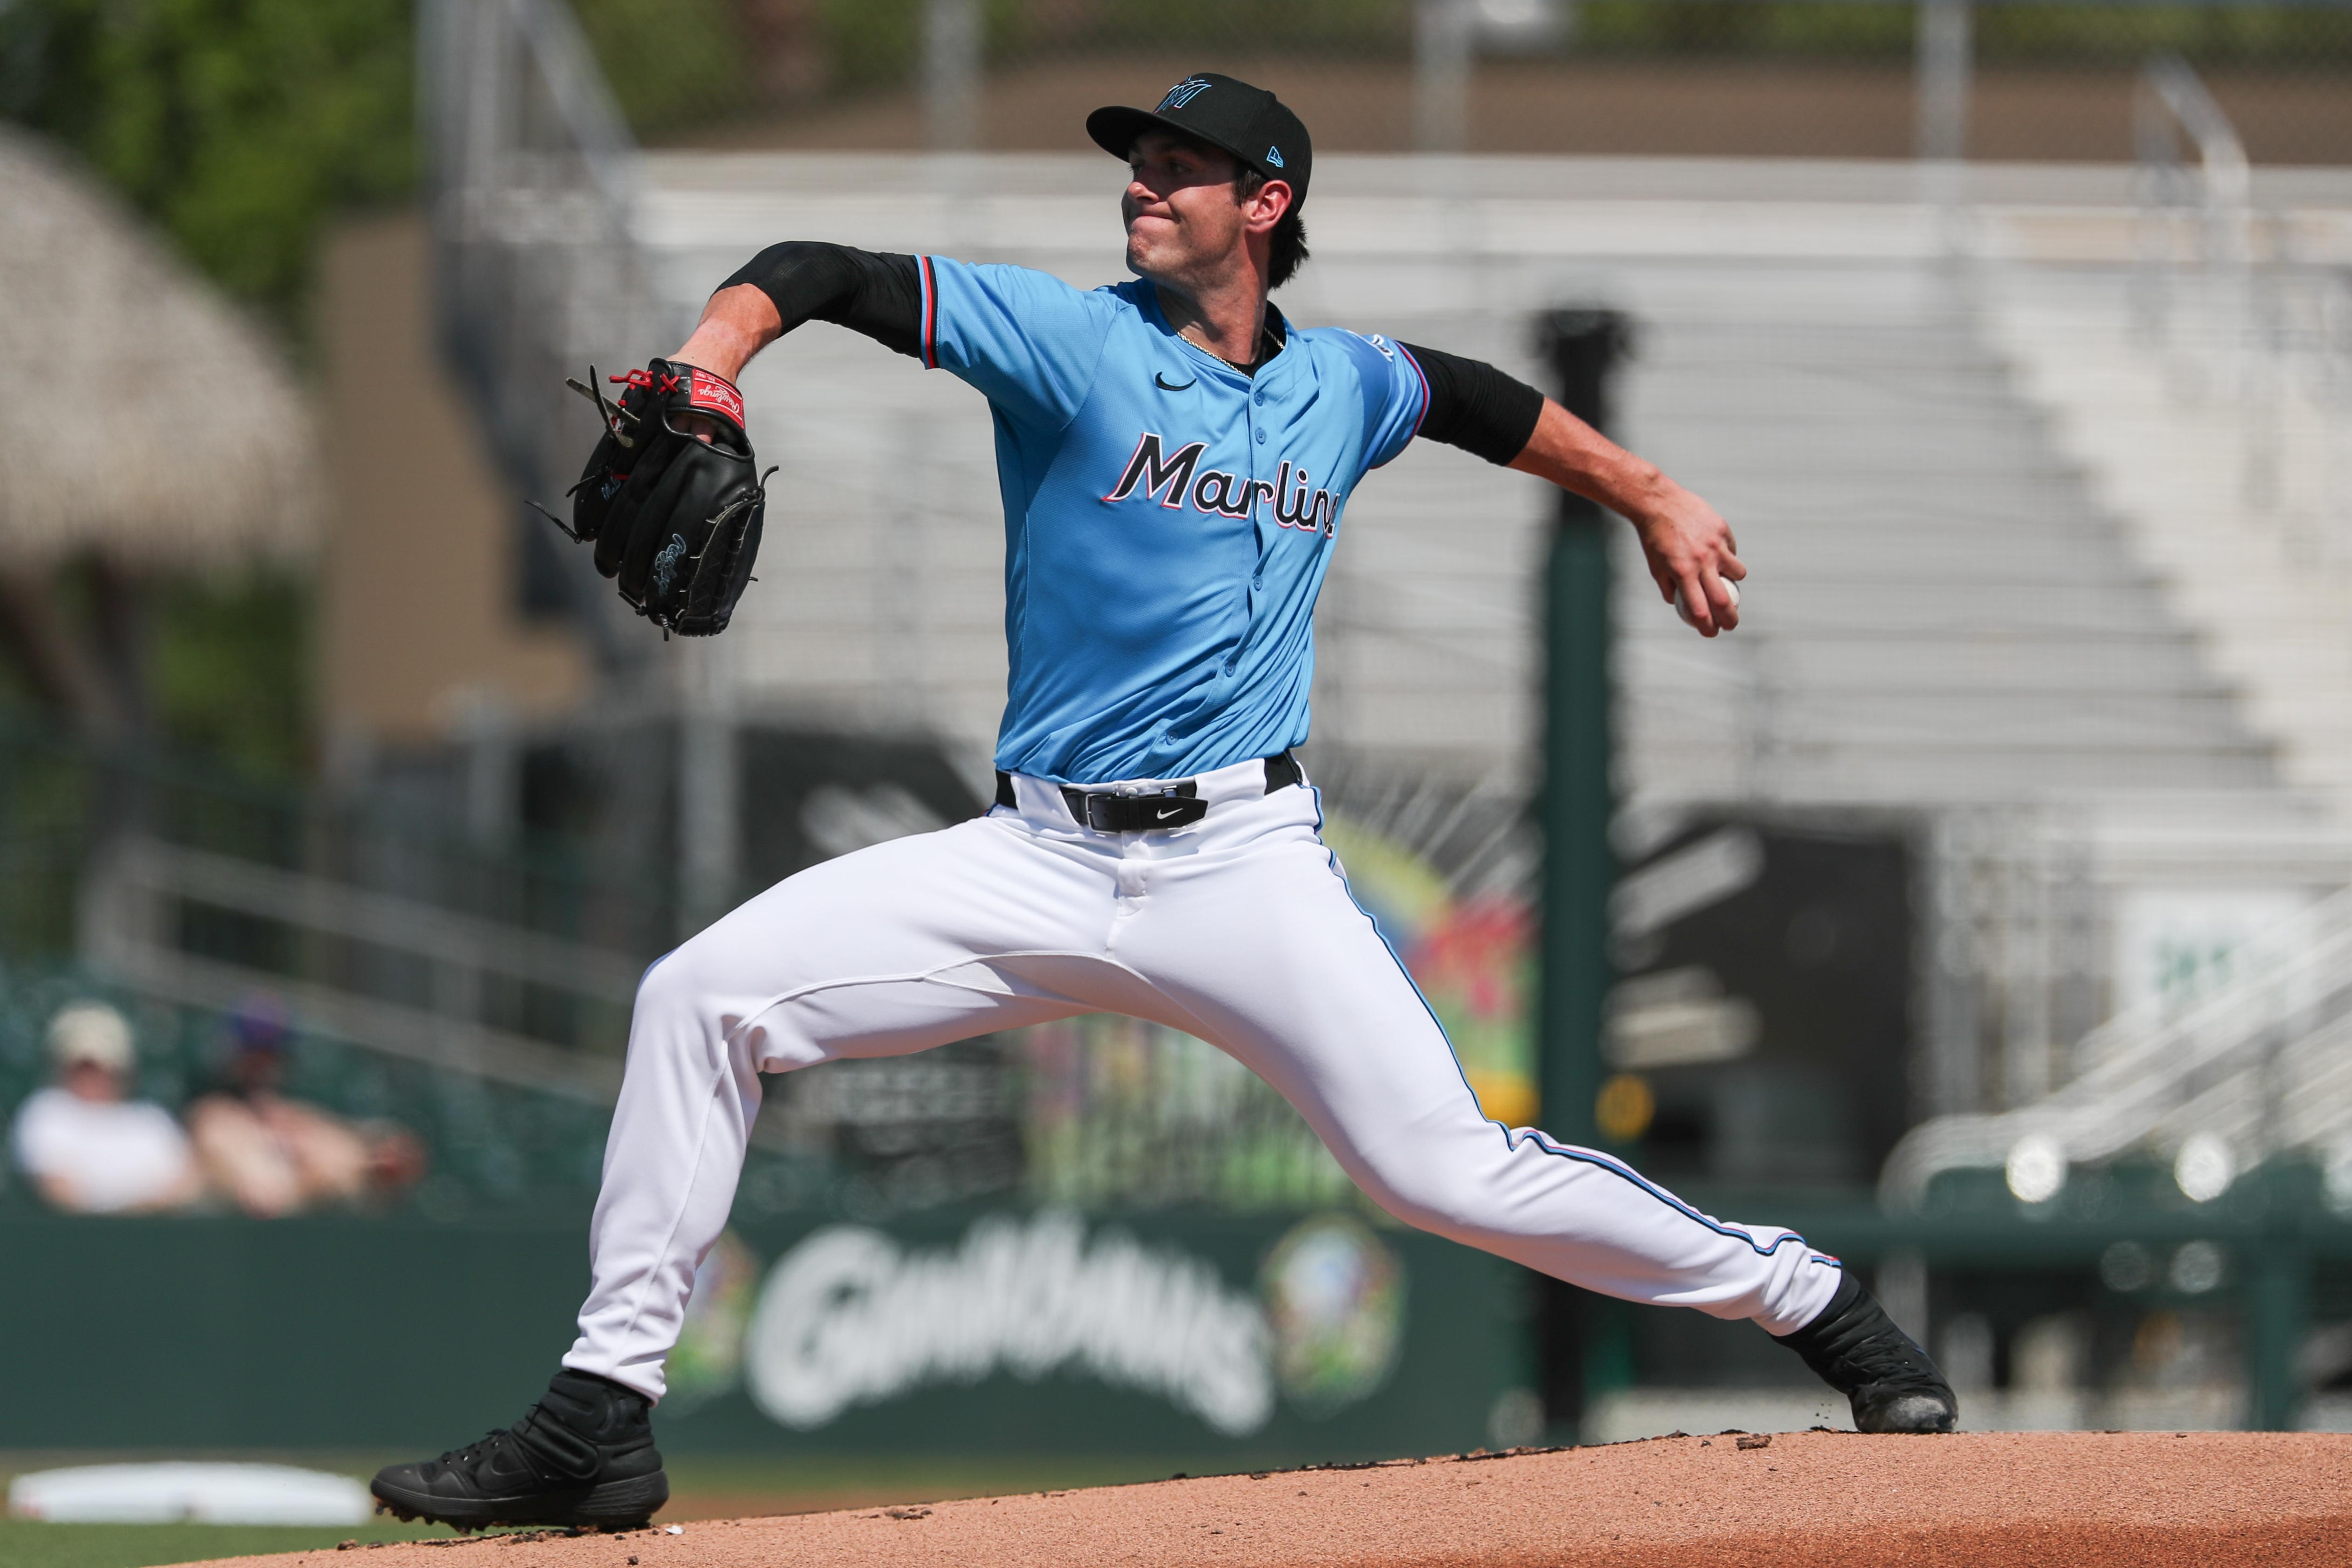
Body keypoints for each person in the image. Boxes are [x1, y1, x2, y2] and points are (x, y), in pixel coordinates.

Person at [373, 72, 1954, 1531]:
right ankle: (602, 1415)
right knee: (701, 998)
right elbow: (826, 268)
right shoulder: (1068, 338)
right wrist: (711, 365)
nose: (1144, 185)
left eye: (1182, 167)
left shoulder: (1341, 384)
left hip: (1244, 866)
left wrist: (1655, 494)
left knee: (1442, 1174)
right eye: (1138, 164)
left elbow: (1478, 400)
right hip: (1037, 856)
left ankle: (1809, 1299)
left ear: (1267, 203)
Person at [187, 995, 425, 1218]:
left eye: (271, 1054)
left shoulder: (289, 1115)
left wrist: (372, 1162)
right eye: (254, 1053)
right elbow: (265, 1198)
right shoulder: (211, 1116)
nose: (262, 1065)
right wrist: (314, 1178)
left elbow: (368, 1158)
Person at [9, 1000, 203, 1214]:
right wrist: (140, 1205)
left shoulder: (152, 1121)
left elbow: (186, 1189)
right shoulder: (46, 1111)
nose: (93, 1077)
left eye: (103, 1067)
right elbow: (59, 1191)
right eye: (84, 1067)